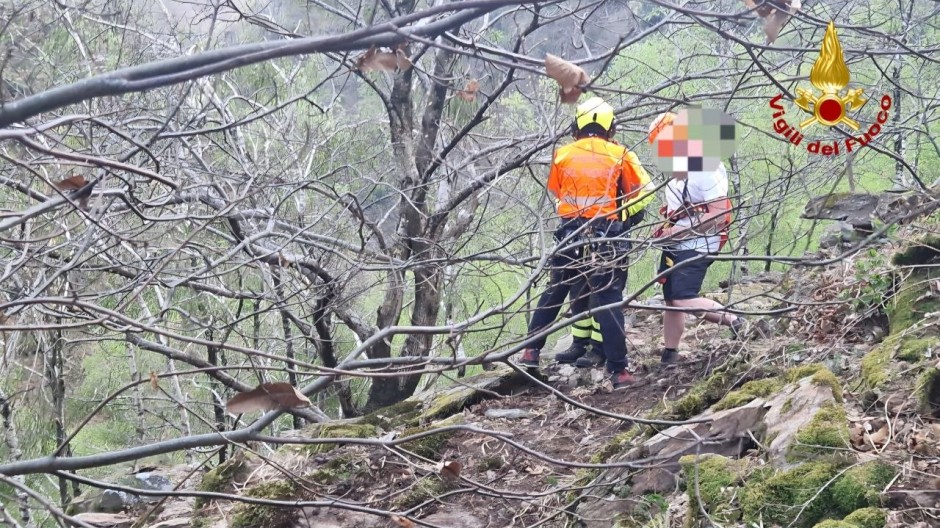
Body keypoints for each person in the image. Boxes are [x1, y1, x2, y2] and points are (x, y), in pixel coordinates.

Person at [518, 97, 654, 389]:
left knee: (556, 290)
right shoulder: (621, 154)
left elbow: (558, 192)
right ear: (610, 126)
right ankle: (619, 371)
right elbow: (644, 191)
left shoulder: (562, 155)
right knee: (609, 299)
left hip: (570, 234)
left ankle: (531, 350)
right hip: (608, 236)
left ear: (577, 125)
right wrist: (625, 216)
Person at [648, 112, 748, 364]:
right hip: (677, 243)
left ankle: (738, 322)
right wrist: (665, 228)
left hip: (699, 243)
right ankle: (670, 353)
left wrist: (676, 232)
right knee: (671, 300)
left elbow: (719, 214)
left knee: (683, 297)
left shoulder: (706, 165)